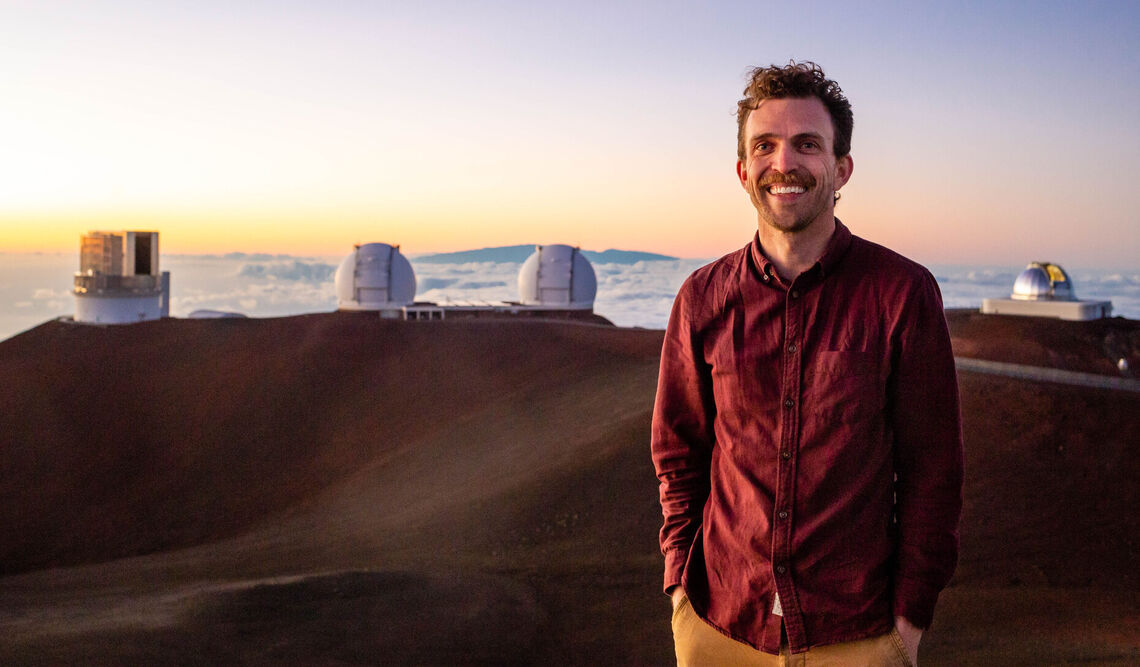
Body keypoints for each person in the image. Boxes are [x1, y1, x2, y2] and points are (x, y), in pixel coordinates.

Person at [651, 61, 963, 666]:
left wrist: (909, 621)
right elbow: (678, 451)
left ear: (841, 168)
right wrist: (679, 589)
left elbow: (933, 471)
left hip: (859, 634)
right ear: (743, 171)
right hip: (719, 627)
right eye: (764, 146)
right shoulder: (702, 299)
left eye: (807, 144)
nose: (783, 163)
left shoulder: (902, 293)